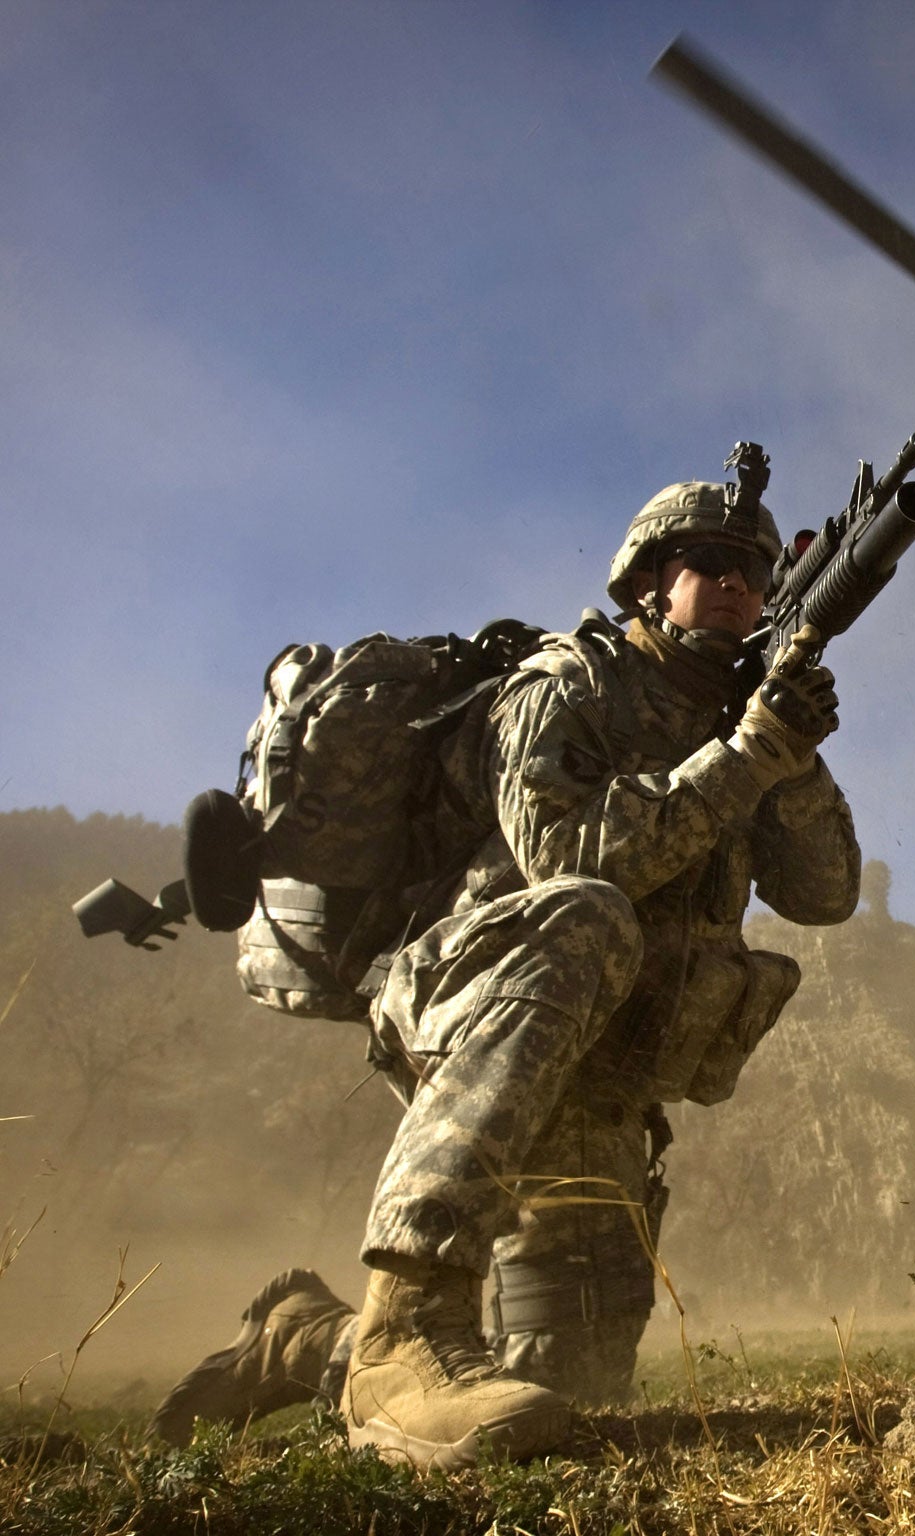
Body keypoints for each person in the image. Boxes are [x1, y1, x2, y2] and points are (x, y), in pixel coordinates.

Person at [151, 462, 861, 1465]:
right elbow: (570, 862)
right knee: (588, 915)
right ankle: (403, 1327)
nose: (738, 584)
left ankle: (306, 1340)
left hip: (603, 1095)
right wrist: (746, 754)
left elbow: (825, 894)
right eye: (709, 564)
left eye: (752, 570)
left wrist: (789, 754)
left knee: (557, 1396)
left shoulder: (736, 723)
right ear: (649, 583)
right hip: (482, 1009)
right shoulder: (566, 684)